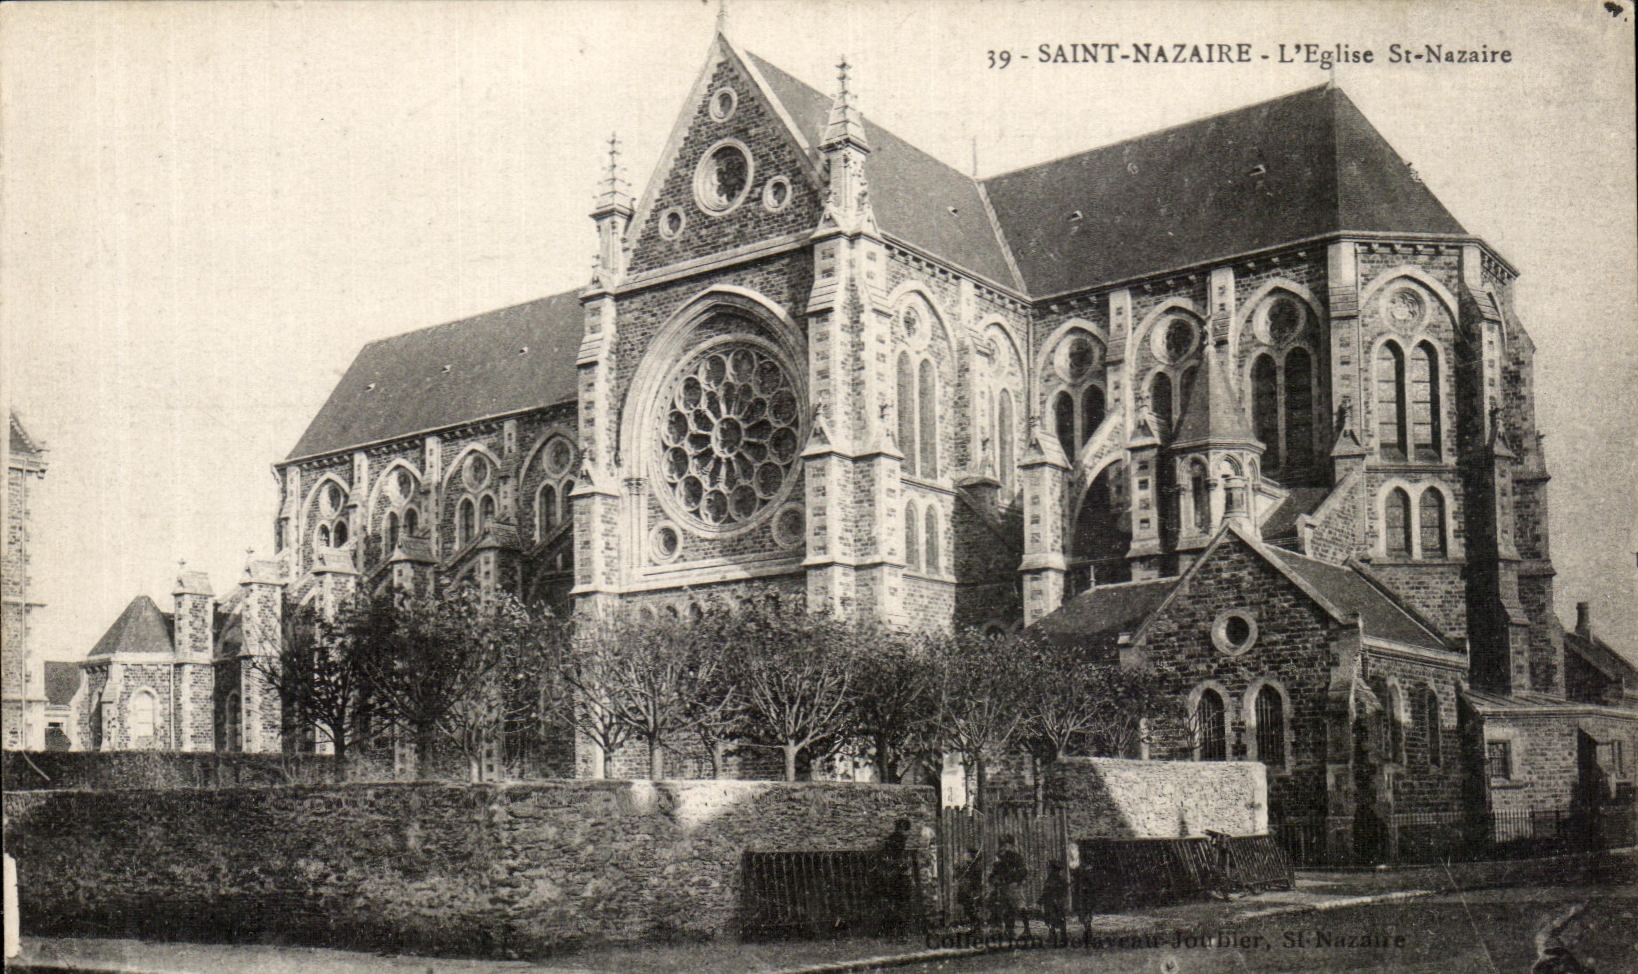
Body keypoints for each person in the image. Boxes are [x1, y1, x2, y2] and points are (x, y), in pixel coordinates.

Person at [875, 818, 914, 935]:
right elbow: (898, 860)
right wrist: (903, 865)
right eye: (906, 830)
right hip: (898, 877)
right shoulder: (899, 840)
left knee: (892, 904)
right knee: (901, 904)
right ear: (903, 829)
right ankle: (901, 932)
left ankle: (891, 931)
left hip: (889, 876)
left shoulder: (890, 840)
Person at [989, 834, 1029, 940]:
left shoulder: (1016, 857)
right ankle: (1009, 930)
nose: (1004, 847)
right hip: (1003, 886)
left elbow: (1023, 871)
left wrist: (1016, 880)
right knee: (1007, 908)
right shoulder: (999, 858)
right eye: (1002, 844)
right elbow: (994, 872)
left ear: (1010, 845)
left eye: (1006, 844)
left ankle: (1027, 929)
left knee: (1020, 906)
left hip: (1014, 885)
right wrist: (994, 879)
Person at [955, 845, 985, 930]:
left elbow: (976, 880)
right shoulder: (966, 866)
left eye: (967, 855)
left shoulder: (976, 867)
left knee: (972, 907)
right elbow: (958, 875)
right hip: (965, 890)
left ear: (972, 857)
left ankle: (976, 924)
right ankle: (973, 923)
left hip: (972, 890)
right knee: (966, 907)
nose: (965, 856)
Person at [1041, 860, 1069, 946]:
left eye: (1050, 868)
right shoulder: (1049, 880)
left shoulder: (1059, 880)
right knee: (1051, 919)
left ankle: (1063, 937)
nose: (1048, 870)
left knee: (1059, 919)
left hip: (1057, 902)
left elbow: (1064, 890)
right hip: (1050, 903)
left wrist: (1060, 899)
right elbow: (1045, 892)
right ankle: (1052, 935)